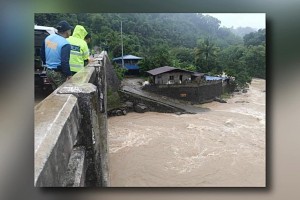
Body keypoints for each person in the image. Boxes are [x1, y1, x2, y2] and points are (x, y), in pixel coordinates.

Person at [41, 20, 73, 90]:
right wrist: (69, 75)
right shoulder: (65, 44)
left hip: (48, 71)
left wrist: (48, 64)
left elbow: (42, 54)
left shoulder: (48, 38)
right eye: (70, 30)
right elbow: (64, 61)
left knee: (55, 92)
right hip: (58, 73)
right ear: (66, 31)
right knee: (62, 93)